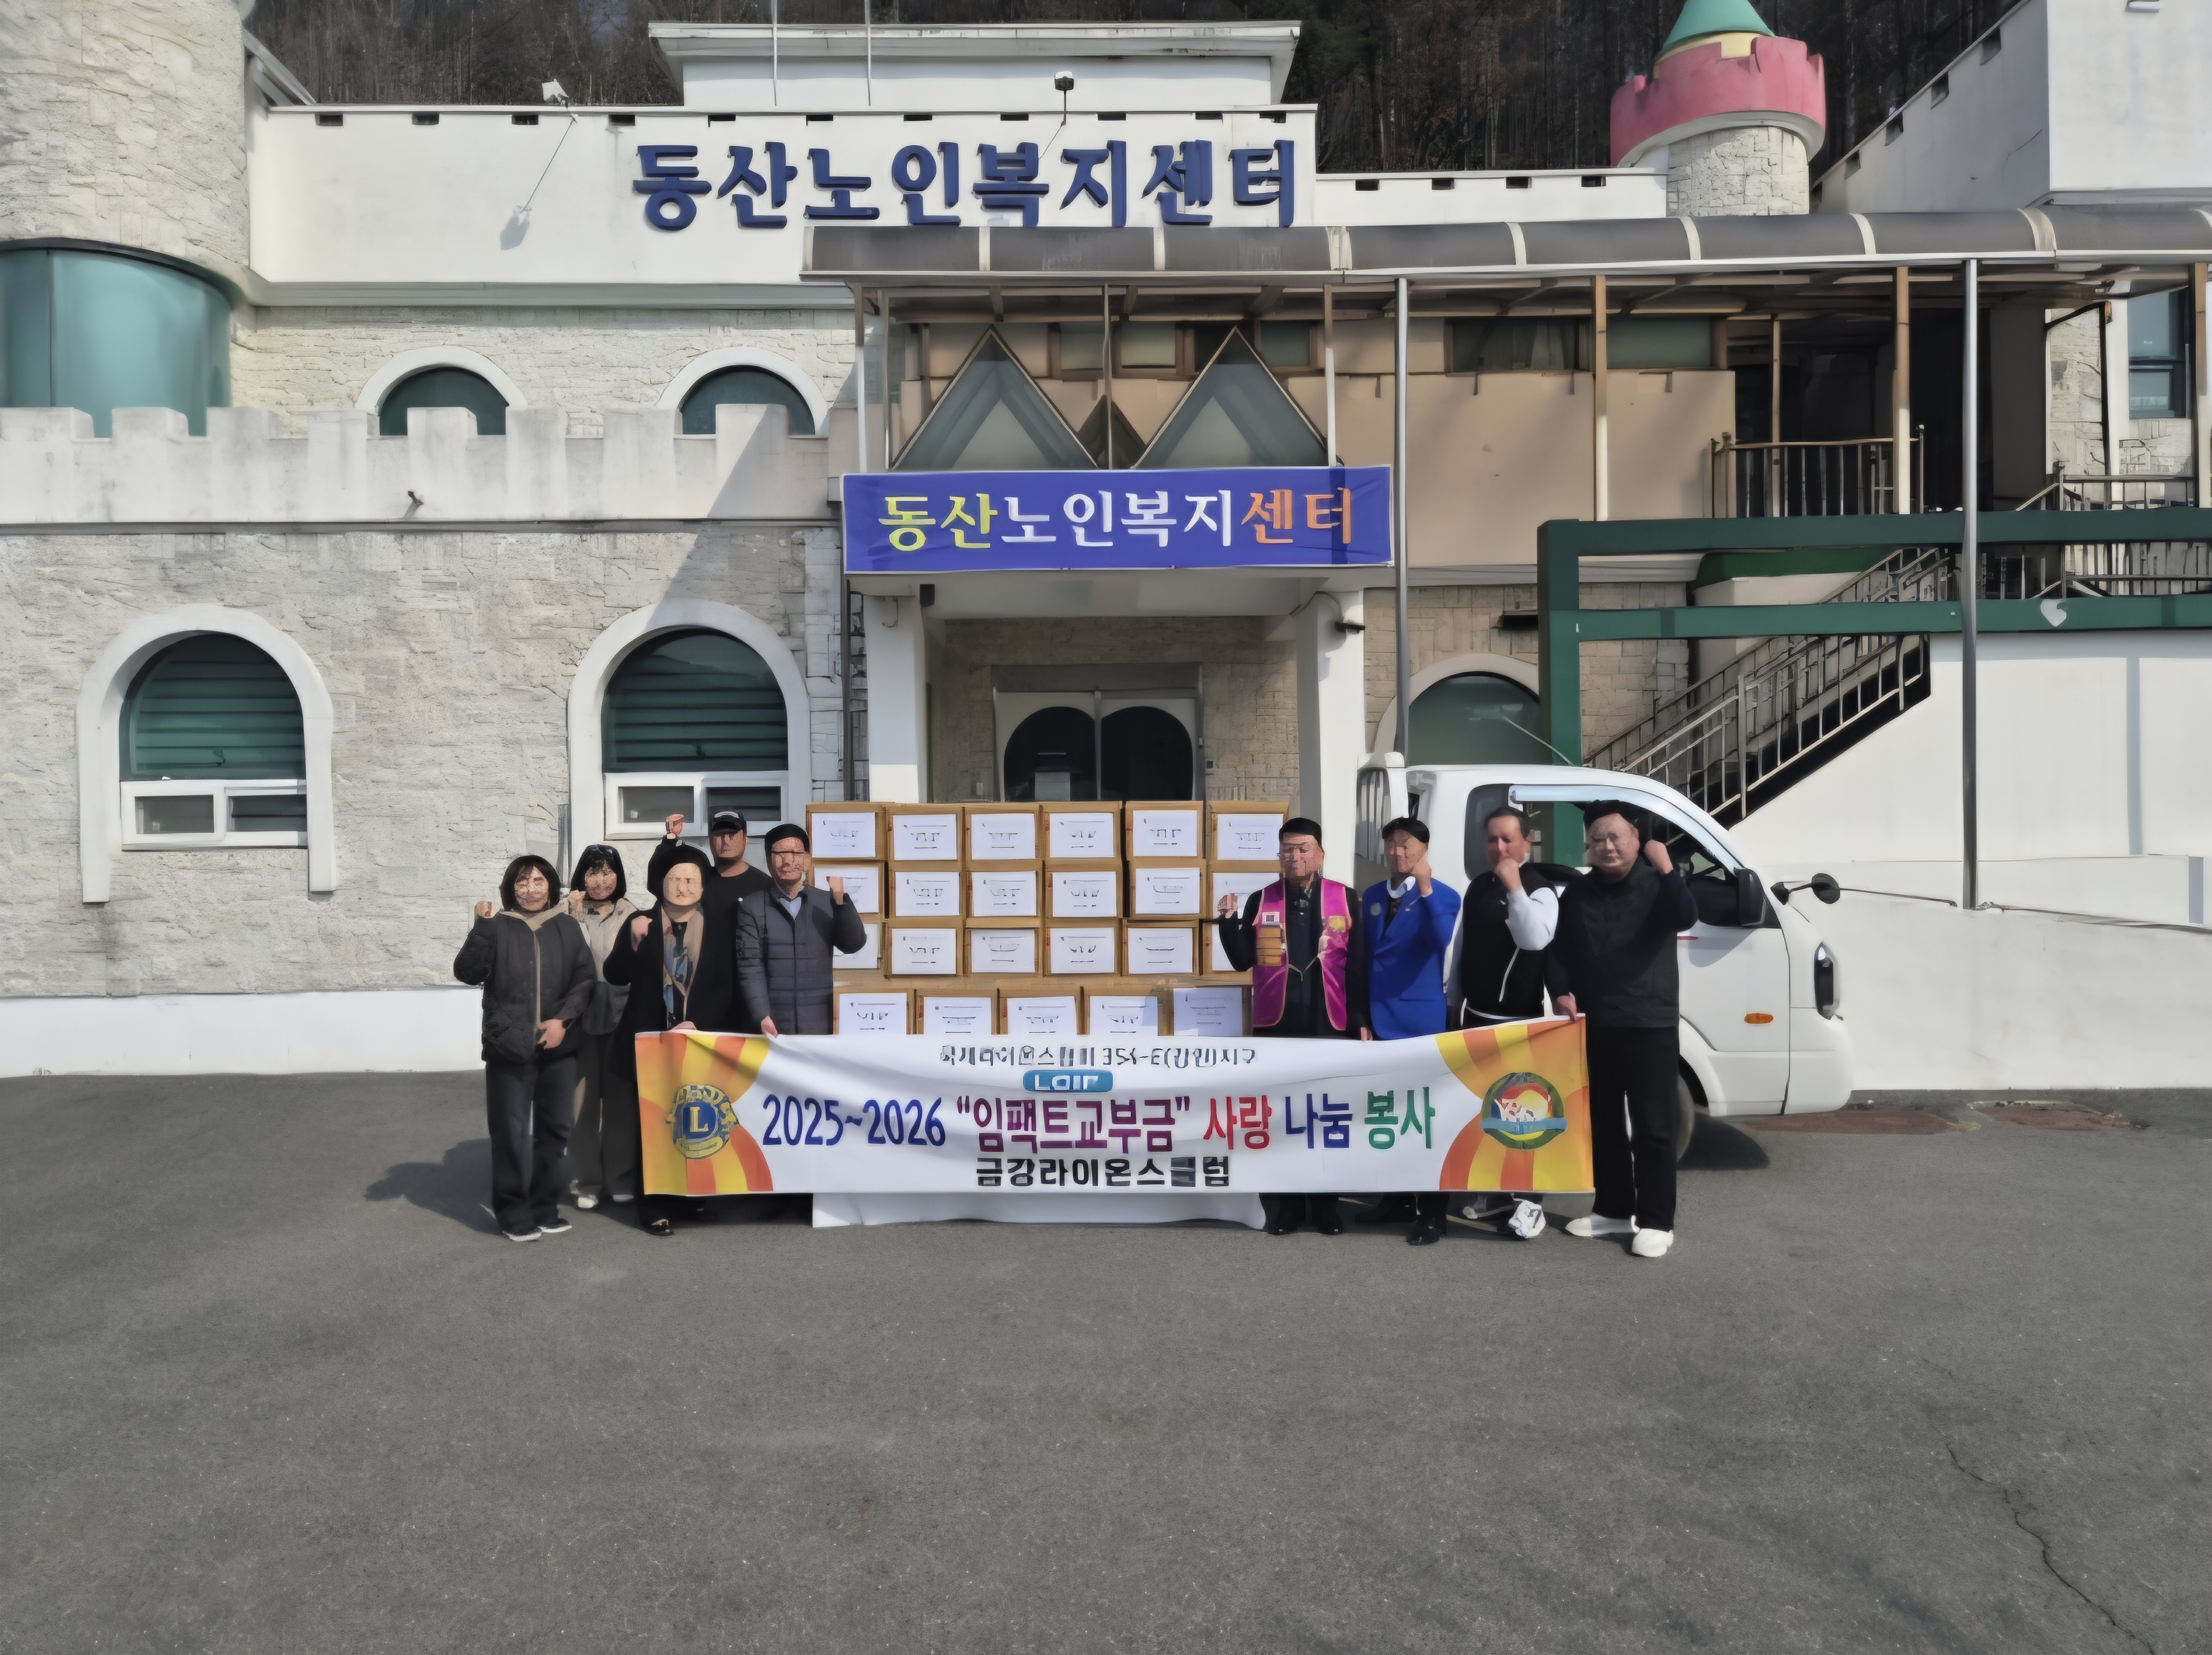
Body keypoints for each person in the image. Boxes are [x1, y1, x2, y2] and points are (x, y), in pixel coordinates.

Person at [1546, 803, 1698, 1261]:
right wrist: (1560, 991)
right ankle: (1612, 1209)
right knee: (1603, 1123)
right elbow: (1558, 950)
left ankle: (1656, 1221)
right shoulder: (1578, 893)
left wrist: (1666, 865)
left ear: (1635, 838)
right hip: (1596, 1023)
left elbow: (1685, 915)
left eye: (1615, 837)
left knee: (1654, 1126)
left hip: (1650, 1023)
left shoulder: (1658, 883)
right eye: (1597, 839)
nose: (1606, 846)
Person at [1215, 817, 1369, 1237]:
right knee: (1279, 1117)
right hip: (1277, 1022)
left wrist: (1361, 1019)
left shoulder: (1345, 898)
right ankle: (1283, 1209)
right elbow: (1242, 960)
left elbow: (1358, 965)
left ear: (1320, 855)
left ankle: (1326, 1209)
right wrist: (1228, 921)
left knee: (1327, 1115)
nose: (1294, 857)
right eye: (1287, 850)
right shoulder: (1260, 899)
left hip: (1330, 1020)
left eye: (1303, 849)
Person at [1446, 803, 1575, 1242]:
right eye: (1492, 839)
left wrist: (1515, 887)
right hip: (1475, 1017)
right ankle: (1498, 1192)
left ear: (1527, 842)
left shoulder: (1541, 891)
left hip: (1519, 1022)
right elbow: (1462, 949)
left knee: (1524, 1113)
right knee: (1485, 1110)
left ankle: (1529, 1202)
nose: (1499, 847)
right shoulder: (1478, 886)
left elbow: (1534, 939)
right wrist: (1454, 1002)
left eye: (1507, 839)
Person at [452, 854, 596, 1243]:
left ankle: (544, 1207)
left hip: (558, 1049)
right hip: (509, 1047)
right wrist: (481, 928)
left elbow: (584, 979)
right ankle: (513, 1212)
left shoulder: (566, 926)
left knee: (555, 1131)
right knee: (510, 1133)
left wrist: (562, 1021)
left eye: (538, 881)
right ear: (509, 887)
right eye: (521, 882)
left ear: (550, 886)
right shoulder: (497, 926)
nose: (530, 889)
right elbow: (467, 973)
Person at [1349, 816, 1463, 1245]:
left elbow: (1440, 940)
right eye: (1392, 845)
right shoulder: (1373, 896)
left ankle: (1433, 1212)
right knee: (1390, 1115)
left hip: (1420, 1022)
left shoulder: (1444, 895)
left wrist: (1427, 888)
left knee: (1427, 1120)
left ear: (1424, 850)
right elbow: (1363, 959)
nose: (1398, 853)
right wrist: (1361, 1016)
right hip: (1379, 1020)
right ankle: (1396, 1199)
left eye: (1407, 845)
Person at [603, 847, 715, 1237]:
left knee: (695, 1117)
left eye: (691, 880)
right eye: (675, 879)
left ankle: (691, 1196)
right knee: (653, 1124)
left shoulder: (716, 925)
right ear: (660, 884)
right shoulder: (642, 922)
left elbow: (726, 984)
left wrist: (702, 1022)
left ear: (703, 885)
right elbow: (614, 974)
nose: (683, 887)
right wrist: (631, 944)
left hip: (697, 1039)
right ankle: (652, 1205)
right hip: (649, 1041)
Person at [644, 808, 772, 1037]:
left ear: (745, 837)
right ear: (710, 839)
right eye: (719, 835)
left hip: (749, 1002)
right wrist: (669, 841)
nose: (725, 841)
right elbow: (658, 882)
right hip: (702, 1004)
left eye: (732, 834)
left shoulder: (763, 886)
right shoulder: (698, 882)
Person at [561, 845, 638, 1212]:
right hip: (579, 1021)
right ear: (581, 876)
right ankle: (586, 1180)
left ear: (618, 876)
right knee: (582, 1105)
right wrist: (574, 917)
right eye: (593, 872)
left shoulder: (632, 913)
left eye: (608, 872)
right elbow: (570, 960)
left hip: (622, 1018)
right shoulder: (565, 912)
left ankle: (621, 1177)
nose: (601, 880)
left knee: (622, 1103)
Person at [735, 824, 867, 1036]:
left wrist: (841, 902)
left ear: (807, 860)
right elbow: (750, 967)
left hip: (818, 1023)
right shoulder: (752, 906)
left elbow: (853, 944)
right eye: (779, 854)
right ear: (768, 860)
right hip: (772, 1025)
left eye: (796, 853)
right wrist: (762, 1015)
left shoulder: (825, 902)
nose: (788, 861)